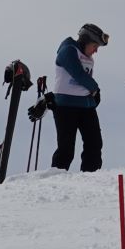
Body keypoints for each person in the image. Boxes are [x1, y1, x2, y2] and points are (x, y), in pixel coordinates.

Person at [50, 23, 107, 170]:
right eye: (95, 46)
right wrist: (95, 88)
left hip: (86, 106)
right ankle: (56, 178)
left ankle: (90, 176)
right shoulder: (68, 50)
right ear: (86, 40)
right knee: (66, 149)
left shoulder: (87, 57)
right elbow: (78, 74)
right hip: (66, 107)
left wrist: (94, 95)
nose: (96, 50)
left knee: (94, 144)